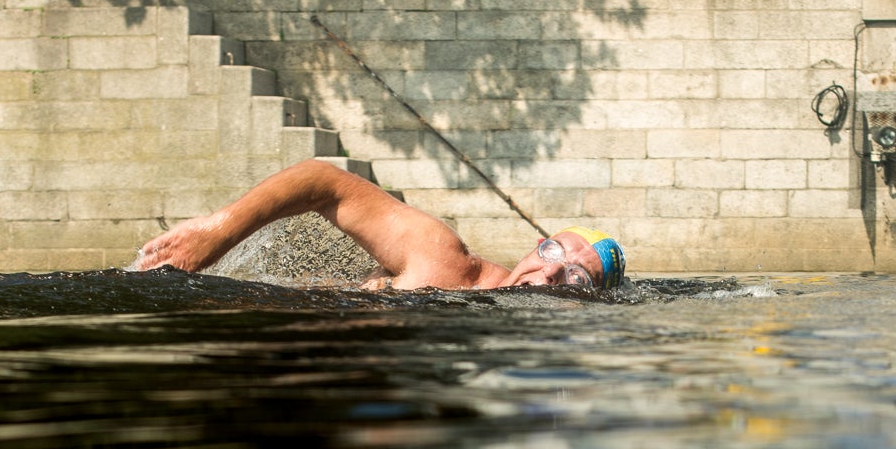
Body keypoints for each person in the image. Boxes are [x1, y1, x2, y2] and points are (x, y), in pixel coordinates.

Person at [132, 159, 626, 292]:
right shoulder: (444, 260)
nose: (551, 276)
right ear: (538, 247)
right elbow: (321, 180)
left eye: (578, 278)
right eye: (555, 255)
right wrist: (218, 232)